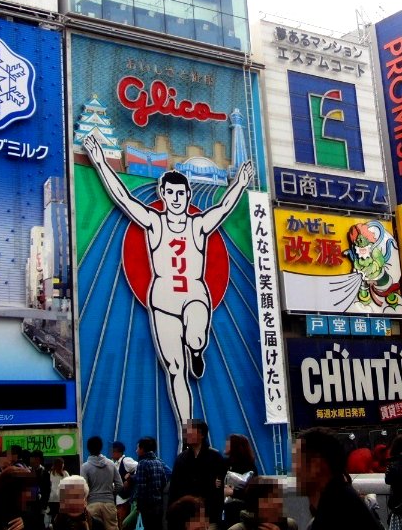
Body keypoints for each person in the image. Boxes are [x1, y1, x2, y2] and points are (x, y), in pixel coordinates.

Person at [84, 136, 254, 429]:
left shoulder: (198, 225)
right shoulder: (154, 222)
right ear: (163, 194)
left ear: (188, 196)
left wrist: (239, 183)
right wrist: (99, 161)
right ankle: (187, 433)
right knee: (176, 369)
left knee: (196, 338)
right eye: (171, 193)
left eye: (181, 194)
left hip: (194, 295)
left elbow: (224, 208)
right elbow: (124, 198)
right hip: (163, 301)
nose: (176, 199)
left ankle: (198, 350)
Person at [292, 428, 382, 530]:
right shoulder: (343, 502)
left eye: (296, 461)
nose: (293, 469)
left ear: (315, 465)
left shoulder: (335, 515)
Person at [169, 420, 225, 529]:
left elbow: (219, 486)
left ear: (202, 435)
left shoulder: (215, 457)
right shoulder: (181, 458)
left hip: (208, 513)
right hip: (185, 514)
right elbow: (174, 486)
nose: (187, 434)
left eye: (191, 431)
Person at [226, 476, 297, 530]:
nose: (280, 502)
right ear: (257, 503)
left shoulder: (290, 525)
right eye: (274, 498)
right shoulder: (238, 529)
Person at [80, 437, 120, 530]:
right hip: (109, 504)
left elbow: (83, 489)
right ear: (101, 447)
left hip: (92, 505)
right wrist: (110, 494)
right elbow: (120, 485)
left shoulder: (85, 467)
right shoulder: (111, 464)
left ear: (88, 448)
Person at [132, 437, 168, 530]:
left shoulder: (142, 464)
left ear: (143, 449)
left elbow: (141, 488)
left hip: (147, 507)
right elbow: (164, 482)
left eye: (138, 448)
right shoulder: (159, 462)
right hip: (159, 505)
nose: (136, 451)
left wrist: (139, 506)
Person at [222, 434, 256, 529]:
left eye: (228, 442)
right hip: (224, 509)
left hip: (241, 509)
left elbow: (252, 493)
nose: (225, 444)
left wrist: (233, 492)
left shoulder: (249, 467)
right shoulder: (224, 463)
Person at [110, 442, 136, 528]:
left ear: (117, 452)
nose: (111, 453)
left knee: (122, 522)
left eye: (112, 451)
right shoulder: (115, 464)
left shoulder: (126, 461)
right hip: (118, 499)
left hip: (125, 499)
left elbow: (139, 467)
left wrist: (130, 479)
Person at [27, 451, 51, 530]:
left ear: (38, 460)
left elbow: (47, 491)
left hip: (39, 505)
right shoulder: (27, 471)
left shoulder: (45, 473)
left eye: (33, 459)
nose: (31, 461)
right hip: (28, 505)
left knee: (39, 524)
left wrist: (44, 506)